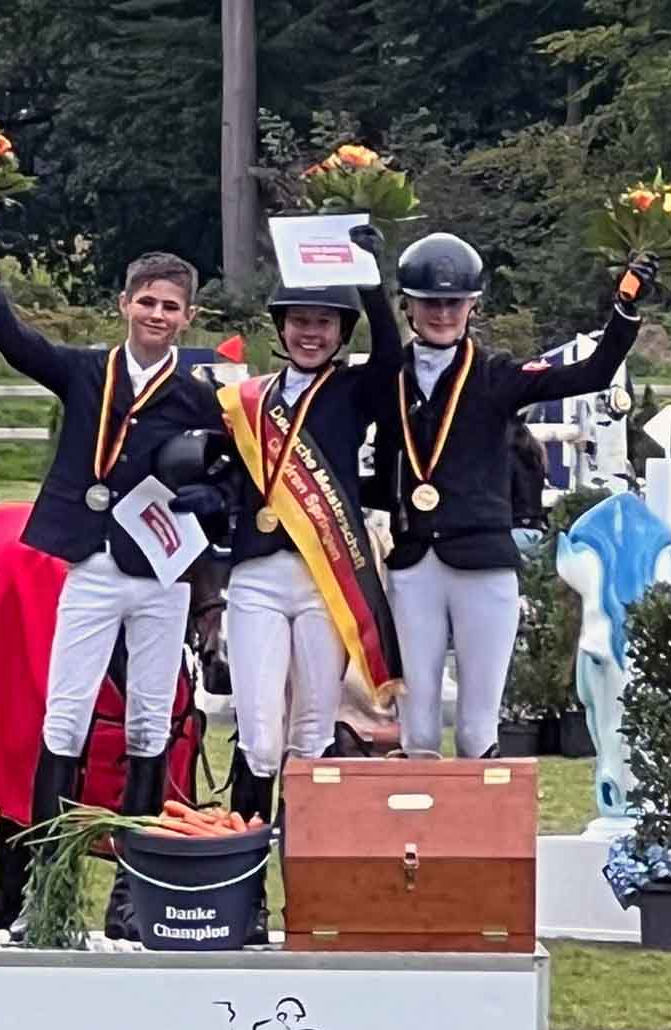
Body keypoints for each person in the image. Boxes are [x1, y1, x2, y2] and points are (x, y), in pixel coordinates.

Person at [0, 219, 221, 941]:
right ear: (124, 304)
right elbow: (17, 343)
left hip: (162, 571)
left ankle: (134, 892)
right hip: (92, 562)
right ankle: (47, 887)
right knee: (66, 716)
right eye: (147, 302)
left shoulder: (198, 397)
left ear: (186, 318)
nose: (157, 316)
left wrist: (209, 502)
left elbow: (223, 470)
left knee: (148, 723)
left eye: (171, 307)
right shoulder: (84, 371)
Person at [169, 224, 402, 941]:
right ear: (282, 328)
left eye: (323, 323)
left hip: (325, 581)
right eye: (299, 322)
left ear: (339, 331)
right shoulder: (244, 401)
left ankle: (308, 893)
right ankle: (242, 893)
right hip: (259, 581)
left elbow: (393, 353)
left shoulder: (354, 390)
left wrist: (369, 271)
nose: (309, 333)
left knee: (311, 738)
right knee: (259, 735)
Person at [370, 233, 657, 758]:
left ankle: (475, 839)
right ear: (408, 306)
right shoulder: (388, 377)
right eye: (429, 303)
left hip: (483, 562)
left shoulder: (498, 375)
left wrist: (623, 312)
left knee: (479, 729)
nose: (441, 313)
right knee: (419, 730)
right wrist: (364, 270)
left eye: (453, 303)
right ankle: (417, 838)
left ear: (471, 306)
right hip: (414, 564)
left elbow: (589, 374)